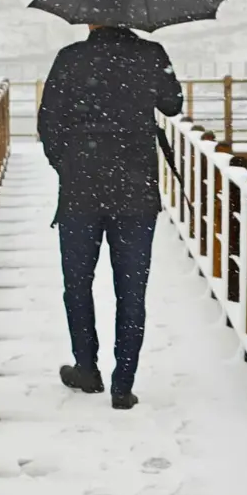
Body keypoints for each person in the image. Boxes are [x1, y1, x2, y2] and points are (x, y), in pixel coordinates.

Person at [37, 24, 183, 409]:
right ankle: (123, 384)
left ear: (88, 19)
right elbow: (173, 105)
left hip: (80, 193)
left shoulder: (70, 58)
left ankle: (86, 369)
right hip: (136, 191)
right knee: (132, 291)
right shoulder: (151, 54)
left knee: (77, 284)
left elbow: (48, 125)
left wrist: (67, 166)